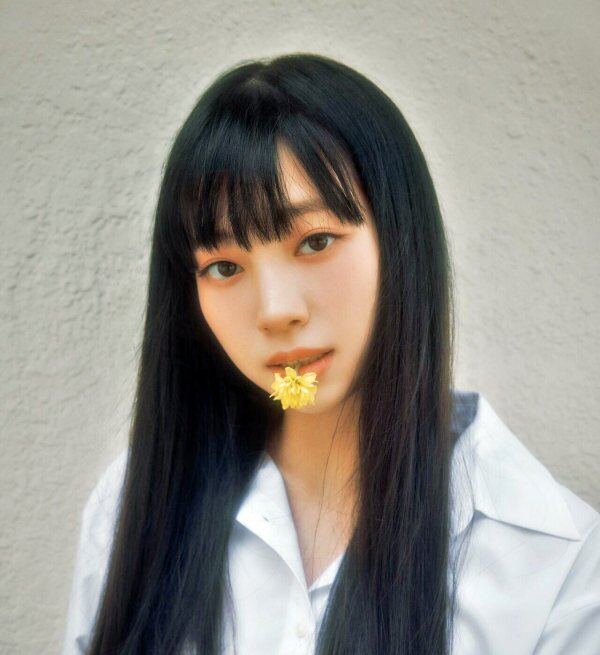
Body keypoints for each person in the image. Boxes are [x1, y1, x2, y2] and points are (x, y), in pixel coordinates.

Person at [62, 53, 600, 655]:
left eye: (316, 241)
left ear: (400, 238)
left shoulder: (552, 562)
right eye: (224, 267)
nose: (275, 311)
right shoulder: (132, 508)